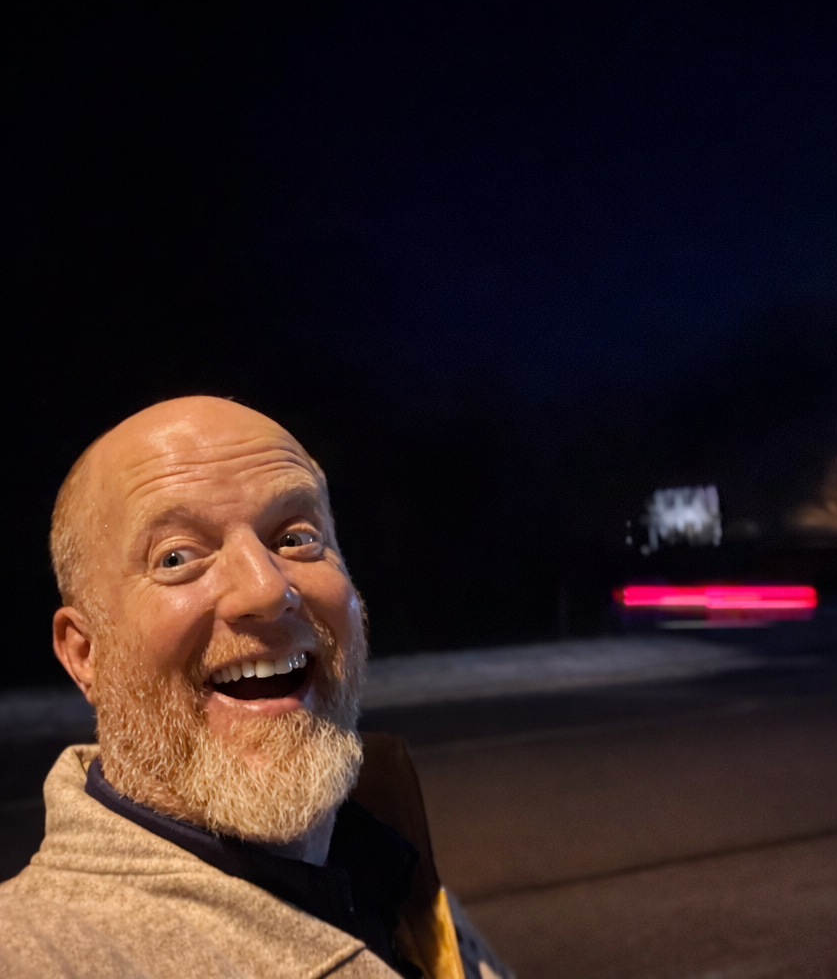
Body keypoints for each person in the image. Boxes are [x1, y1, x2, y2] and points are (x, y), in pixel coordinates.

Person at [0, 397, 509, 979]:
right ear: (85, 654)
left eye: (296, 537)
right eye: (176, 557)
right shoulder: (32, 951)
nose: (267, 589)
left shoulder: (393, 870)